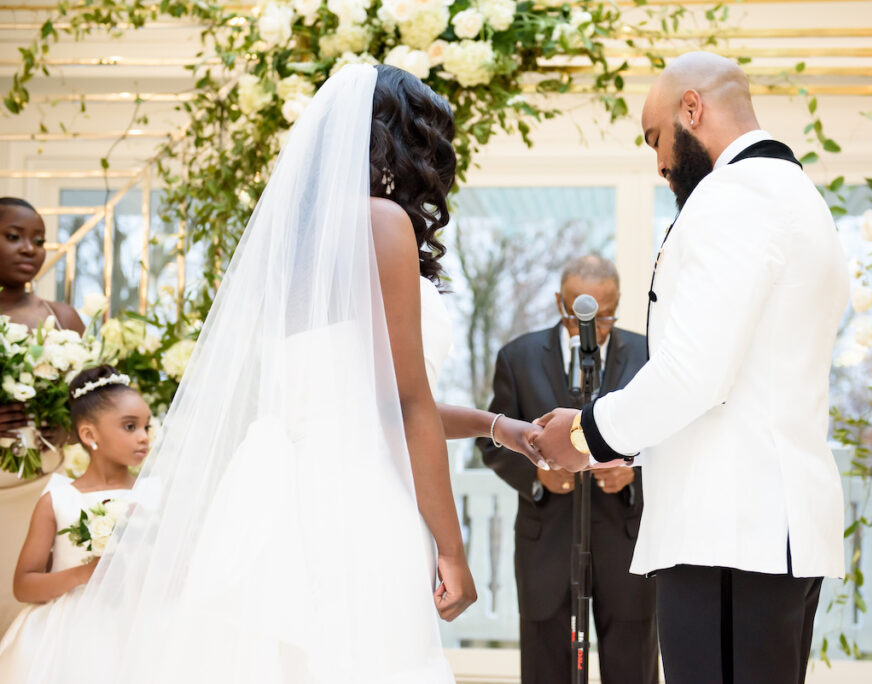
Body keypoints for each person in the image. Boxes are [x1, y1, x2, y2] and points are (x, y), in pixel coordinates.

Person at [29, 64, 541, 684]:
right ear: (407, 142)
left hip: (278, 498)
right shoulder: (382, 223)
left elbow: (357, 395)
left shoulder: (296, 249)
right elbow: (403, 405)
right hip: (358, 495)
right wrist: (452, 551)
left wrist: (498, 426)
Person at [532, 51, 850, 684]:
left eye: (655, 139)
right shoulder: (798, 198)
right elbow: (749, 383)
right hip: (770, 530)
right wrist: (636, 451)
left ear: (692, 109)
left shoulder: (730, 198)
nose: (659, 165)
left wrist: (582, 437)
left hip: (729, 535)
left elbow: (692, 373)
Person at [480, 255, 657, 684]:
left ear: (617, 304)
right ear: (561, 302)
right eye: (580, 313)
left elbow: (672, 441)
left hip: (626, 541)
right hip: (548, 542)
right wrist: (536, 478)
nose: (592, 327)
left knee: (634, 669)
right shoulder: (517, 357)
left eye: (606, 315)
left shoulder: (650, 355)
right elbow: (491, 440)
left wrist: (636, 473)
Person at [0, 365, 151, 681]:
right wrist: (87, 572)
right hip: (70, 637)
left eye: (147, 427)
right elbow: (24, 585)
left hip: (142, 626)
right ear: (89, 435)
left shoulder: (155, 495)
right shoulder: (58, 499)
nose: (143, 437)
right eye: (129, 426)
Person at [0, 197, 85, 634]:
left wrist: (64, 427)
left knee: (27, 610)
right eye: (13, 236)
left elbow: (90, 406)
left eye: (38, 240)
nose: (29, 248)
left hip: (41, 482)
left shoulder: (62, 318)